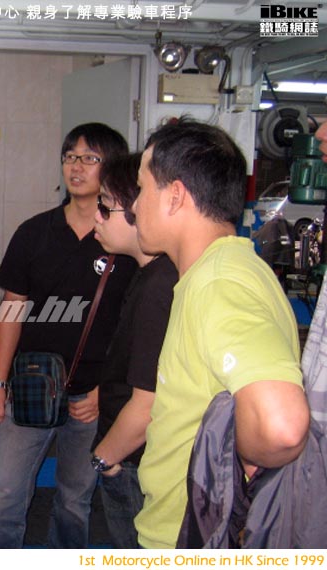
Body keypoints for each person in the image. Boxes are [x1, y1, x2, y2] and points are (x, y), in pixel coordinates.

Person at [132, 118, 310, 549]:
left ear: (175, 195)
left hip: (195, 536)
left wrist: (245, 462)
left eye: (141, 189)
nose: (134, 206)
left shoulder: (219, 283)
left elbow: (282, 426)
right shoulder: (227, 269)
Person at [0, 123, 136, 548]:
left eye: (90, 158)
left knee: (73, 502)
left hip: (92, 398)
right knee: (1, 495)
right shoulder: (35, 231)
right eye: (70, 157)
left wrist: (107, 391)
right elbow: (11, 311)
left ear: (113, 167)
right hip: (30, 387)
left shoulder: (128, 239)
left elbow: (136, 329)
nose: (76, 167)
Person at [90, 152, 178, 548]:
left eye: (105, 207)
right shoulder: (146, 275)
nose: (97, 218)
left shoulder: (160, 286)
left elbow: (148, 403)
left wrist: (104, 459)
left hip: (133, 461)